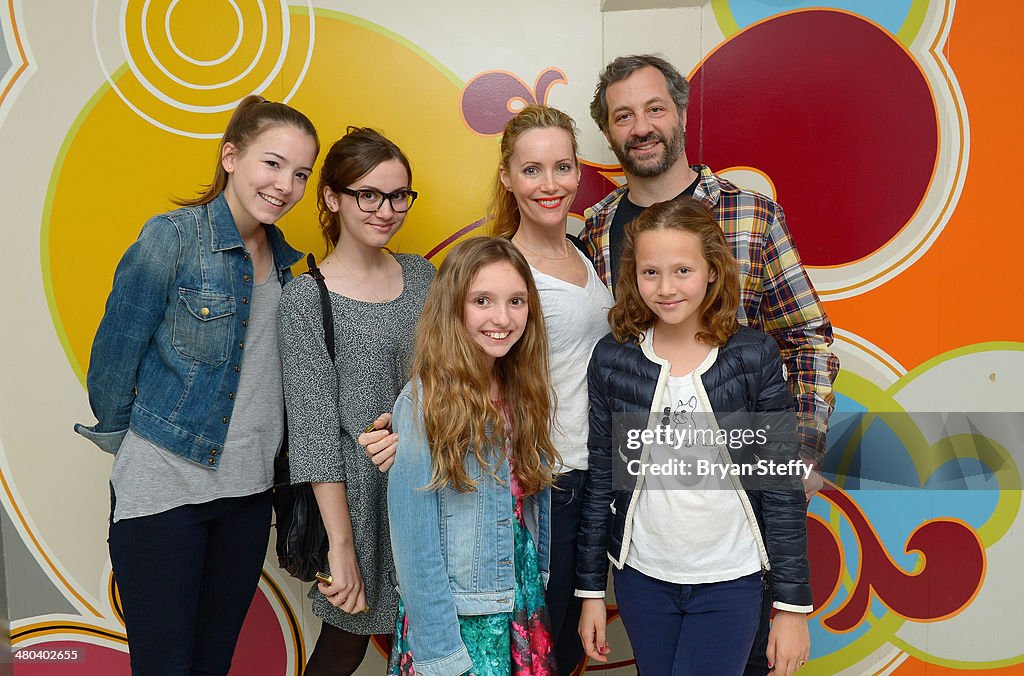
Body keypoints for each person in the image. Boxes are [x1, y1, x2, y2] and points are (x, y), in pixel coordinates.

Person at [581, 54, 837, 673]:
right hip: (651, 522)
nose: (641, 126)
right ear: (609, 131)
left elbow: (806, 340)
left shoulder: (748, 213)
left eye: (654, 108)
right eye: (623, 116)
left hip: (741, 506)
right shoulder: (596, 228)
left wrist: (794, 453)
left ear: (681, 113)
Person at [74, 95, 319, 674]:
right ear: (231, 156)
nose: (286, 185)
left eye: (301, 174)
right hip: (165, 492)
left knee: (212, 663)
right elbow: (113, 357)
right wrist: (134, 447)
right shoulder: (173, 239)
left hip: (247, 497)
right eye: (273, 163)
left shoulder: (290, 266)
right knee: (165, 665)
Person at [576, 198, 813, 675]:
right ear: (632, 275)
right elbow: (602, 475)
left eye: (682, 270)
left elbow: (781, 487)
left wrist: (791, 607)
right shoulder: (613, 359)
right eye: (650, 273)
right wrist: (591, 593)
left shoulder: (753, 356)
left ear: (711, 271)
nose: (665, 289)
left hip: (731, 579)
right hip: (643, 578)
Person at [277, 127, 435, 676]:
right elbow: (314, 432)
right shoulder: (306, 297)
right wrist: (340, 547)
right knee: (342, 646)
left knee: (439, 641)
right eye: (368, 194)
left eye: (398, 196)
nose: (385, 210)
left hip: (428, 483)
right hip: (355, 501)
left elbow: (449, 380)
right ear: (332, 198)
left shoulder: (422, 276)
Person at [386, 237, 560, 676]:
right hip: (458, 622)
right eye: (482, 300)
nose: (502, 318)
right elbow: (415, 546)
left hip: (519, 603)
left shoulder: (523, 390)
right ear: (453, 308)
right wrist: (442, 656)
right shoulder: (424, 402)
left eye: (516, 301)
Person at [490, 104, 612, 676]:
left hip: (595, 472)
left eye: (562, 167)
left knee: (567, 642)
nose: (550, 184)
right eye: (532, 170)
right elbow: (462, 375)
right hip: (544, 481)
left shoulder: (588, 253)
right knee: (540, 653)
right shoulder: (503, 270)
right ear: (507, 177)